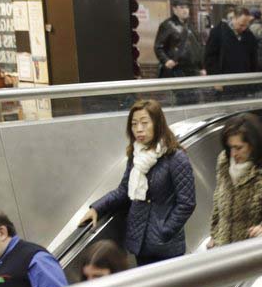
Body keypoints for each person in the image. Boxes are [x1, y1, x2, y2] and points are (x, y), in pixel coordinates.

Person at [81, 99, 196, 265]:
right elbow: (123, 191)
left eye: (144, 123)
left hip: (166, 247)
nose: (139, 129)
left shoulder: (175, 157)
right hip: (140, 243)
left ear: (157, 124)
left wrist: (165, 231)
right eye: (134, 124)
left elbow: (187, 203)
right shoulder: (135, 155)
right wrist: (97, 208)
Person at [207, 113, 262, 248]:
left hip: (251, 250)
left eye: (239, 147)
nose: (233, 153)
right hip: (222, 248)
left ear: (254, 144)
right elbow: (218, 200)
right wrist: (214, 234)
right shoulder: (224, 161)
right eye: (230, 147)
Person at [154, 0, 205, 78]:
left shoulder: (191, 26)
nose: (185, 10)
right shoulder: (167, 25)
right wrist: (166, 60)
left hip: (193, 69)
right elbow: (158, 47)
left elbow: (198, 47)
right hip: (176, 69)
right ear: (174, 9)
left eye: (187, 7)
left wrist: (202, 67)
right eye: (182, 7)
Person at [204, 6, 258, 75]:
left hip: (244, 80)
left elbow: (253, 59)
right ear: (234, 18)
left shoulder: (249, 35)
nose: (244, 28)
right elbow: (210, 58)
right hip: (225, 79)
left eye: (246, 25)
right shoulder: (218, 32)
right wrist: (216, 80)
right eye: (241, 25)